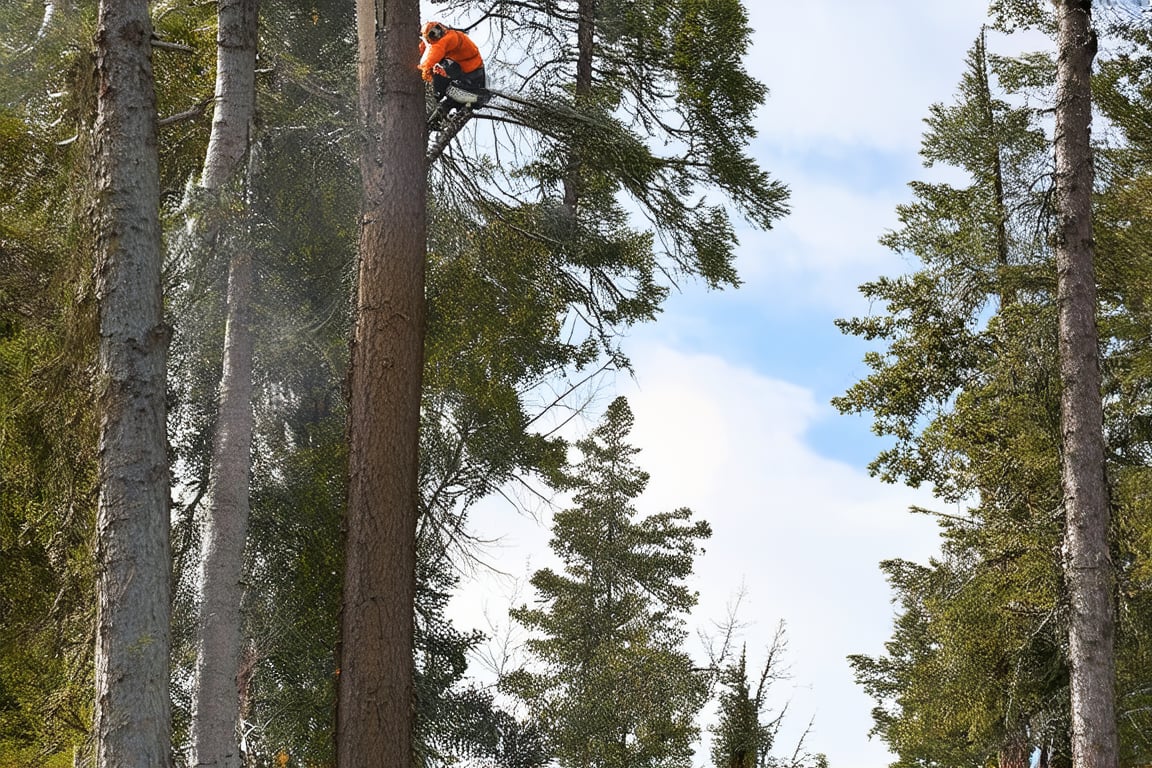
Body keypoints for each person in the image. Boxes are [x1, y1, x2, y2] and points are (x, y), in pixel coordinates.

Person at [419, 21, 486, 126]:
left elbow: (435, 53)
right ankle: (441, 115)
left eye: (437, 29)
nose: (438, 33)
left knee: (439, 72)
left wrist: (423, 71)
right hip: (471, 75)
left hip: (471, 76)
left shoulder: (449, 38)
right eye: (433, 33)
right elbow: (427, 48)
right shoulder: (450, 38)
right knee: (450, 98)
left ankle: (435, 96)